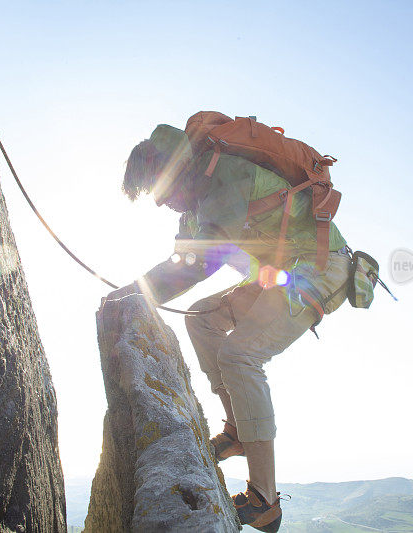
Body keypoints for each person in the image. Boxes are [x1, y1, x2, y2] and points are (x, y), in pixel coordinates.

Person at [108, 122, 351, 532]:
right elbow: (184, 259)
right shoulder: (194, 201)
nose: (163, 203)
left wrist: (134, 293)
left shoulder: (224, 177)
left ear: (177, 170)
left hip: (319, 268)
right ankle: (237, 431)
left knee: (240, 356)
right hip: (284, 272)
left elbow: (203, 262)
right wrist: (132, 293)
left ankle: (264, 500)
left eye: (161, 191)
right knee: (204, 319)